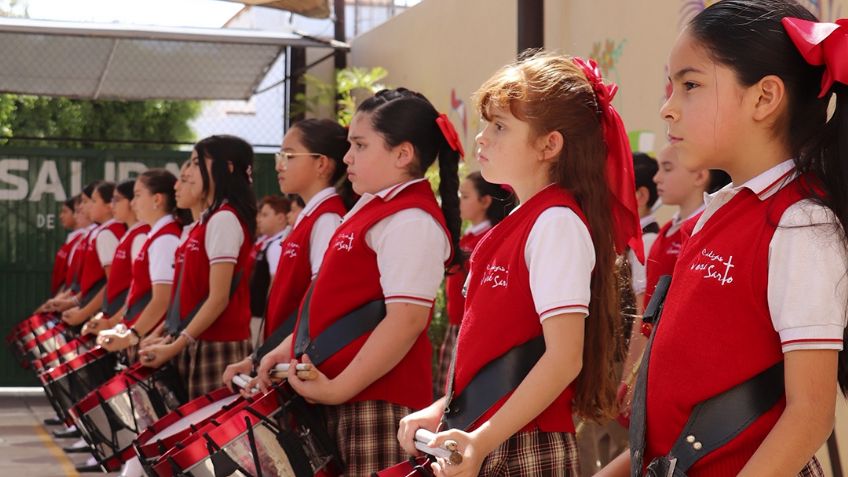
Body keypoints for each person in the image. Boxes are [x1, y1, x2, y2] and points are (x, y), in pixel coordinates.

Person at [598, 1, 848, 475]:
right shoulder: (721, 212)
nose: (667, 109)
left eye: (689, 85)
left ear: (763, 98)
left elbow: (809, 416)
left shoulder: (800, 224)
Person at [397, 52, 643, 476]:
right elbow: (497, 354)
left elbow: (564, 359)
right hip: (492, 435)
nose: (482, 138)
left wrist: (481, 439)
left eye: (499, 126)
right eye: (485, 123)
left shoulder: (556, 222)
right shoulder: (526, 219)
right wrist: (442, 409)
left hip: (522, 445)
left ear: (550, 144)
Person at [254, 88, 462, 475]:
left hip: (376, 405)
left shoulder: (411, 220)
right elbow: (333, 303)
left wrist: (337, 388)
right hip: (344, 397)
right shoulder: (373, 205)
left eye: (360, 145)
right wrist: (288, 348)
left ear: (403, 154)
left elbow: (406, 321)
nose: (347, 157)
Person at [223, 118, 351, 387]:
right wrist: (258, 356)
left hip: (296, 361)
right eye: (280, 156)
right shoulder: (310, 215)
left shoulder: (327, 218)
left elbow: (318, 303)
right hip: (282, 358)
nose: (280, 165)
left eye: (289, 156)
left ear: (321, 164)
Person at [138, 135, 257, 400]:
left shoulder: (224, 218)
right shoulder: (209, 220)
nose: (188, 174)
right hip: (197, 339)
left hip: (217, 345)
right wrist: (165, 337)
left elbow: (218, 299)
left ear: (226, 168)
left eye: (195, 163)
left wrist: (176, 343)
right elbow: (189, 297)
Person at [434, 171, 514, 397]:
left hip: (473, 329)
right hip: (456, 325)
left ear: (485, 201)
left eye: (465, 196)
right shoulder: (467, 238)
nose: (458, 200)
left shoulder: (489, 239)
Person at [96, 170, 183, 358]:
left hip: (148, 336)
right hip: (143, 332)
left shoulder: (165, 239)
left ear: (157, 199)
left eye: (137, 195)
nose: (133, 203)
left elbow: (162, 300)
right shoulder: (156, 236)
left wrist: (131, 335)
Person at [249, 195, 291, 344]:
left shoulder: (276, 246)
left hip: (262, 316)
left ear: (281, 218)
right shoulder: (267, 243)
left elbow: (274, 283)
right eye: (259, 214)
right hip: (257, 314)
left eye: (265, 215)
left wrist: (267, 320)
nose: (259, 219)